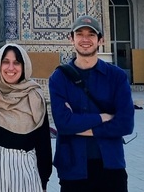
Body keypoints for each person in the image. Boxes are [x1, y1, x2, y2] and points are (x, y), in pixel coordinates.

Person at [49, 15, 134, 192]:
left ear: (101, 40)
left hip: (110, 166)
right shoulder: (59, 78)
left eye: (91, 35)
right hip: (73, 168)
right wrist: (103, 118)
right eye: (80, 34)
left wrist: (79, 125)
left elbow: (125, 124)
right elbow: (63, 124)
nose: (85, 39)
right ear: (71, 39)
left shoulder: (116, 77)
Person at [0, 44, 52, 192]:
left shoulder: (34, 98)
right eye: (5, 62)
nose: (11, 67)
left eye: (16, 62)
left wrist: (44, 181)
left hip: (26, 179)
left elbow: (43, 144)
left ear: (24, 66)